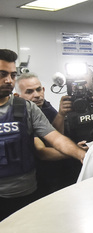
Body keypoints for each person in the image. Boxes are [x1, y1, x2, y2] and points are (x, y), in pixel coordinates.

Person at [0, 49, 86, 221]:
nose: (9, 80)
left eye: (12, 74)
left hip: (28, 194)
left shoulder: (26, 108)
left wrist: (82, 155)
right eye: (2, 74)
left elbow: (55, 138)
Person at [16, 73, 69, 195]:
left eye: (39, 89)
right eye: (29, 92)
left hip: (58, 174)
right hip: (38, 179)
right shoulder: (19, 116)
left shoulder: (46, 107)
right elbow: (42, 152)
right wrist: (77, 152)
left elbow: (55, 139)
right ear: (17, 96)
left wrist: (61, 115)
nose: (37, 95)